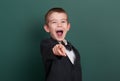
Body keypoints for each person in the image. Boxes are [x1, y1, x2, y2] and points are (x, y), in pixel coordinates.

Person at [40, 7, 82, 81]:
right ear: (47, 28)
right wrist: (56, 49)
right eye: (54, 22)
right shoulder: (46, 44)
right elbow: (51, 50)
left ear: (68, 27)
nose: (59, 25)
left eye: (63, 21)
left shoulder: (74, 50)